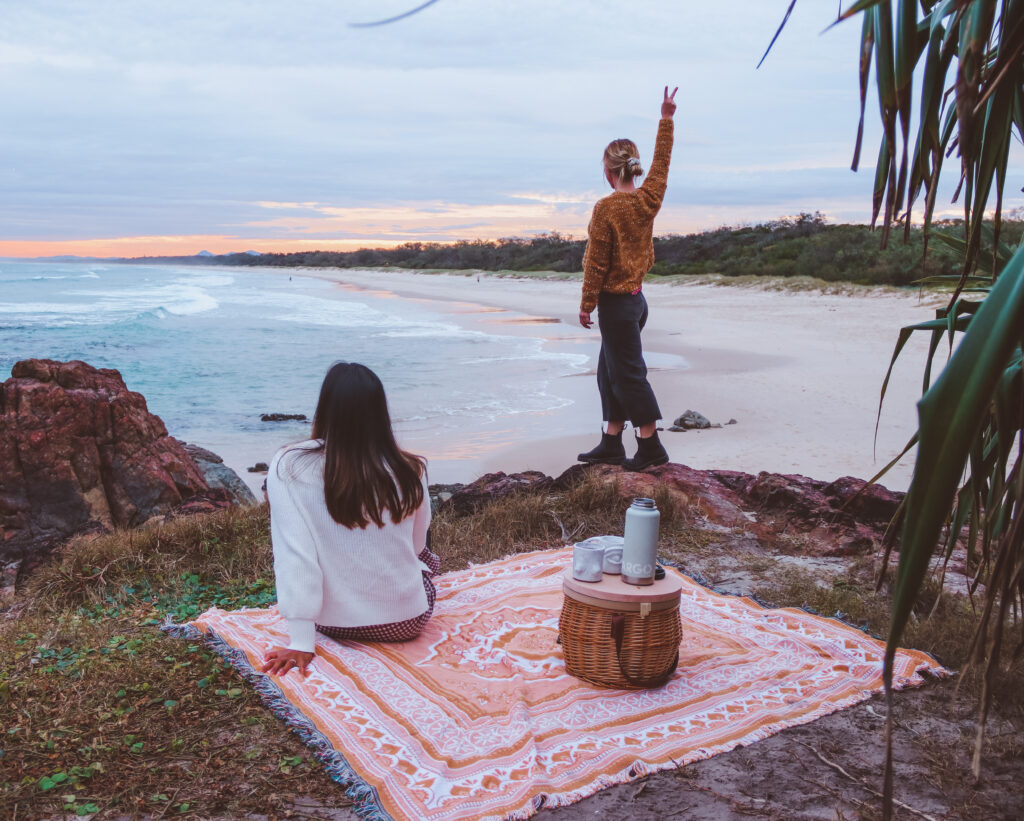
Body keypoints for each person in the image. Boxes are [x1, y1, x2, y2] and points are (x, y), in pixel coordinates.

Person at [261, 362, 438, 677]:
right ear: (380, 413)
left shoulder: (288, 467)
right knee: (427, 559)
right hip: (408, 621)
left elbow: (295, 557)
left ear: (325, 409)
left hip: (332, 623)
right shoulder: (411, 469)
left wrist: (301, 641)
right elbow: (416, 545)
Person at [577, 86, 677, 472]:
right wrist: (666, 119)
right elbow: (663, 166)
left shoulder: (608, 209)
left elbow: (595, 264)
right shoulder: (648, 198)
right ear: (633, 167)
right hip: (636, 302)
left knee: (629, 375)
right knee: (609, 373)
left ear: (608, 171)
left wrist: (587, 305)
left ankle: (651, 446)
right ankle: (612, 442)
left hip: (617, 305)